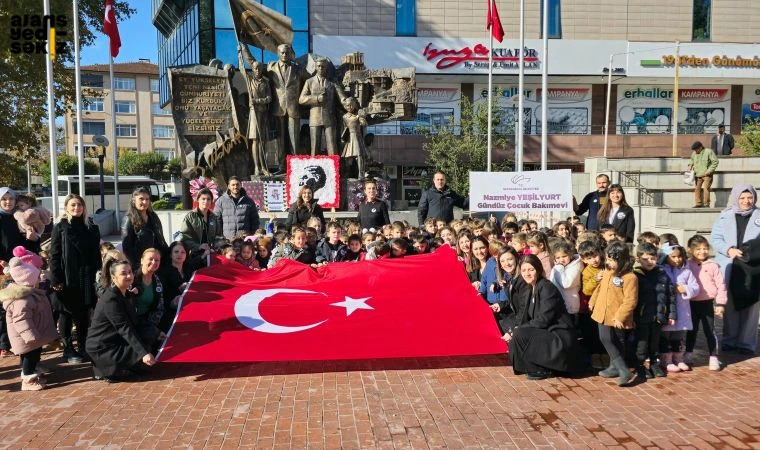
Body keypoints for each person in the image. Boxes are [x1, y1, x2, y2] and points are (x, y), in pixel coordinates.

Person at [500, 254, 579, 380]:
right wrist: (512, 330)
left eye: (531, 269)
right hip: (545, 332)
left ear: (538, 270)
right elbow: (522, 315)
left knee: (521, 333)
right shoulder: (529, 288)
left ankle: (542, 368)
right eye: (524, 270)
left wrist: (518, 330)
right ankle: (530, 365)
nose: (527, 273)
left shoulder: (546, 288)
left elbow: (544, 320)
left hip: (559, 336)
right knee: (516, 334)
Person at [50, 194, 101, 364]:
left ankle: (83, 345)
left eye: (79, 205)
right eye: (72, 205)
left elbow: (96, 255)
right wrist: (55, 279)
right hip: (67, 276)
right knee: (66, 312)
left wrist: (100, 275)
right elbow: (55, 255)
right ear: (66, 208)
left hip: (86, 275)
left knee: (83, 313)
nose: (76, 208)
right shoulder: (61, 227)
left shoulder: (91, 227)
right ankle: (67, 348)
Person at [87, 259, 156, 383]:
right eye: (124, 273)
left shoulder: (126, 294)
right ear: (114, 278)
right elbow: (124, 328)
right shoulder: (110, 299)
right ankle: (110, 370)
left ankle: (132, 364)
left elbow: (134, 320)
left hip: (116, 338)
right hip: (103, 346)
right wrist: (143, 353)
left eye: (130, 272)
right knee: (141, 344)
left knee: (149, 332)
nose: (129, 276)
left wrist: (157, 331)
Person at [710, 184, 760, 355]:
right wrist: (728, 249)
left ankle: (746, 343)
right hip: (730, 266)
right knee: (730, 305)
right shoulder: (724, 216)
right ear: (736, 199)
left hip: (753, 268)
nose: (746, 201)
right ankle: (730, 340)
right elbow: (715, 238)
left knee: (751, 308)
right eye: (742, 198)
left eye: (749, 197)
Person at [0, 249, 58, 390]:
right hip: (27, 337)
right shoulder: (22, 300)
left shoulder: (31, 295)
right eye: (37, 278)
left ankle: (32, 371)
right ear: (29, 280)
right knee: (29, 357)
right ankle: (27, 379)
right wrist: (30, 335)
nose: (40, 280)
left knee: (33, 355)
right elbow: (21, 320)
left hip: (33, 336)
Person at [589, 241, 638, 386]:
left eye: (612, 259)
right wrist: (593, 301)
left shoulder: (630, 277)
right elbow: (599, 288)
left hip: (617, 316)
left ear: (622, 259)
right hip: (602, 312)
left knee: (618, 341)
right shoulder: (608, 272)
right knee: (605, 338)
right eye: (607, 258)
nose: (608, 262)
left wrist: (620, 317)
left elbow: (631, 300)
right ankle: (622, 369)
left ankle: (618, 368)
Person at [684, 235, 727, 371]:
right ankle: (688, 353)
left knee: (709, 330)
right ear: (690, 250)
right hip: (691, 303)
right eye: (698, 249)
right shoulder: (686, 264)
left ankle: (713, 357)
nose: (702, 251)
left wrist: (720, 303)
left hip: (707, 303)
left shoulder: (713, 265)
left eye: (705, 248)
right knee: (692, 330)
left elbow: (721, 285)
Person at [634, 242, 676, 379]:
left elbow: (670, 295)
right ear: (638, 258)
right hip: (642, 317)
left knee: (654, 342)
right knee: (642, 342)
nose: (650, 262)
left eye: (653, 258)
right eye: (645, 259)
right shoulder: (636, 275)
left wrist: (672, 313)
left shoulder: (662, 273)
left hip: (658, 315)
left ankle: (654, 363)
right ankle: (640, 364)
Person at [659, 245, 699, 373]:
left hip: (682, 310)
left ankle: (678, 357)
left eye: (679, 256)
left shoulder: (686, 271)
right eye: (673, 257)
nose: (677, 260)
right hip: (667, 310)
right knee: (665, 335)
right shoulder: (661, 270)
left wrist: (686, 289)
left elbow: (696, 287)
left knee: (679, 336)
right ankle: (666, 359)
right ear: (666, 257)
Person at [268, 43, 306, 173]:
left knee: (294, 139)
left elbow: (310, 82)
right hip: (279, 108)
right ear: (278, 53)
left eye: (287, 53)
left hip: (293, 108)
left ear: (291, 54)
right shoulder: (271, 67)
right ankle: (281, 166)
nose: (284, 55)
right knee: (280, 140)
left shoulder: (298, 69)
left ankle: (295, 167)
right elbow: (254, 67)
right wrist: (243, 50)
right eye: (282, 53)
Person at [299, 58, 347, 156]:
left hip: (329, 118)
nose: (321, 68)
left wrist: (350, 104)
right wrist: (316, 99)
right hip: (315, 118)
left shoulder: (332, 83)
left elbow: (342, 98)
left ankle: (334, 169)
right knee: (315, 146)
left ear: (326, 68)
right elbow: (301, 99)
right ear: (316, 67)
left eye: (323, 66)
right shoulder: (309, 82)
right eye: (319, 66)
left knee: (332, 146)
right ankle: (314, 167)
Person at [121, 187, 168, 268]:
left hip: (157, 261)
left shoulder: (153, 216)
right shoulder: (128, 219)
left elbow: (161, 239)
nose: (145, 202)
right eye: (141, 199)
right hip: (141, 264)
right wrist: (137, 266)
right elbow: (127, 247)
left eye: (147, 199)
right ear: (133, 200)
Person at [158, 242, 195, 333]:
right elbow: (161, 297)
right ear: (170, 255)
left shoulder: (190, 270)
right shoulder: (164, 272)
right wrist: (172, 303)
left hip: (190, 308)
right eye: (176, 252)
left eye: (183, 252)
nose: (180, 254)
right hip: (171, 314)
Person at [133, 249, 165, 352]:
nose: (154, 262)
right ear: (142, 260)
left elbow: (159, 308)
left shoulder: (157, 281)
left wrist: (152, 328)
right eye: (150, 259)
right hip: (130, 322)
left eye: (157, 260)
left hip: (147, 322)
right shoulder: (131, 278)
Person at [179, 188, 223, 261]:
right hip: (194, 256)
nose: (206, 201)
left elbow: (219, 236)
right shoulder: (190, 216)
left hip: (211, 255)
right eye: (203, 199)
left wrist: (215, 247)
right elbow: (184, 238)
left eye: (208, 199)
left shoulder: (214, 217)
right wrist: (199, 246)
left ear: (211, 201)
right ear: (198, 200)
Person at [549, 240, 583, 316]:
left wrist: (559, 268)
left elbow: (566, 284)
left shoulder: (575, 266)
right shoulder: (557, 267)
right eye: (558, 258)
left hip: (570, 303)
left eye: (564, 256)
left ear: (570, 255)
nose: (561, 260)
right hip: (559, 302)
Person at [688, 141, 719, 208]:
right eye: (695, 149)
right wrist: (690, 165)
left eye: (696, 149)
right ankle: (698, 203)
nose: (696, 151)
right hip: (697, 175)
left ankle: (706, 204)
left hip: (707, 175)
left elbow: (715, 161)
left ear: (701, 147)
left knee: (706, 189)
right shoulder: (694, 153)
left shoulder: (708, 151)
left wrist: (709, 171)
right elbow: (691, 160)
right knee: (697, 189)